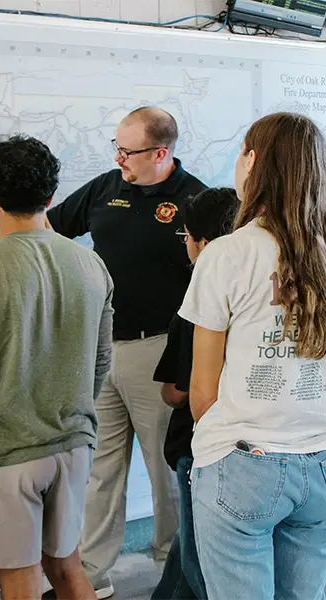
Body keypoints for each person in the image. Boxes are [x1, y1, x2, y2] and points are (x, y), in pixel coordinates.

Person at [0, 106, 207, 598]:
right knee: (101, 472)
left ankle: (175, 574)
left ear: (161, 152)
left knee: (165, 475)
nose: (120, 159)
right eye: (117, 148)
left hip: (160, 352)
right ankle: (94, 571)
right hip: (104, 353)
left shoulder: (196, 201)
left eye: (129, 152)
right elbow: (44, 222)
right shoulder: (108, 187)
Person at [0, 134, 114, 600]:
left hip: (7, 455)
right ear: (50, 198)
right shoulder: (93, 266)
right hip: (73, 445)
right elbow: (100, 365)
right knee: (68, 569)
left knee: (20, 583)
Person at [179, 112, 326, 599]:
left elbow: (202, 389)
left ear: (254, 162)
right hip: (319, 459)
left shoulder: (227, 253)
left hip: (242, 460)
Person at [150, 188, 239, 600]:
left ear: (201, 242)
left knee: (199, 559)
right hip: (251, 443)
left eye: (185, 235)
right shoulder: (256, 289)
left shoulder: (195, 306)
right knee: (189, 547)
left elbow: (180, 392)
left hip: (199, 446)